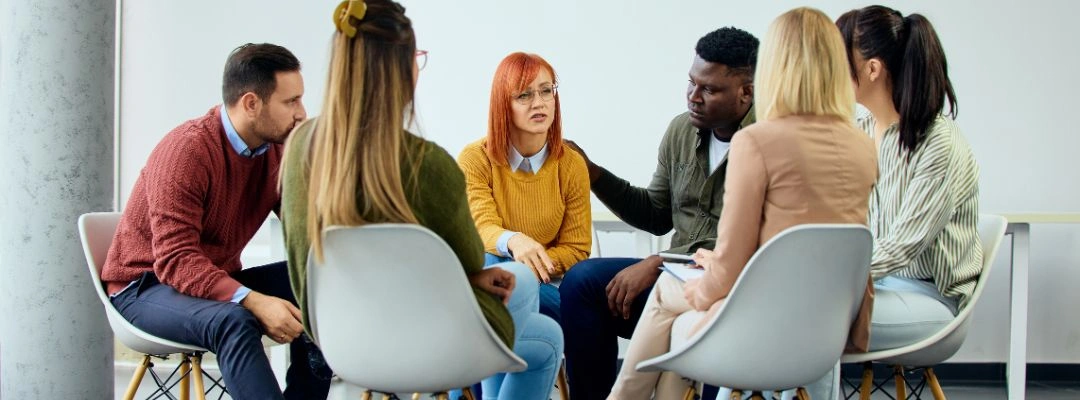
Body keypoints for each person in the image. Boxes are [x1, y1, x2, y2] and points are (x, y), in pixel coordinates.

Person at [278, 2, 563, 400]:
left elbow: (298, 260)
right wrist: (473, 275)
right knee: (535, 304)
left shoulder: (298, 148)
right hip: (429, 343)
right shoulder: (428, 165)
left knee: (543, 326)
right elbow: (468, 260)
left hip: (340, 343)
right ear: (404, 69)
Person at [607, 8, 878, 399]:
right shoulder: (863, 145)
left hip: (759, 325)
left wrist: (701, 288)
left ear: (772, 69)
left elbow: (732, 261)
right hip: (830, 328)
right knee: (677, 306)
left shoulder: (757, 141)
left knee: (670, 289)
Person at [101, 43, 330, 400]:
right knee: (233, 320)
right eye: (291, 102)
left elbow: (309, 225)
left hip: (208, 282)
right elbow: (175, 261)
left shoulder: (277, 151)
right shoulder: (187, 151)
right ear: (251, 103)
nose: (302, 113)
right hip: (145, 288)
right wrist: (253, 300)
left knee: (315, 279)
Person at [560, 27, 758, 399]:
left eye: (709, 89)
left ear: (745, 92)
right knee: (584, 282)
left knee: (714, 323)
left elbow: (752, 244)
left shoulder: (767, 141)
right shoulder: (681, 130)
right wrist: (595, 174)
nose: (693, 97)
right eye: (691, 83)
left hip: (731, 287)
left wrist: (658, 261)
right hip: (674, 278)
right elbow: (656, 214)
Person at [837, 5, 981, 352]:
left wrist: (828, 270)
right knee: (786, 310)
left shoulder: (939, 142)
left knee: (809, 317)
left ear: (872, 69)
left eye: (837, 60)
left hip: (929, 298)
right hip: (875, 285)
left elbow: (904, 244)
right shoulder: (859, 131)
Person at [458, 52, 592, 323]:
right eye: (524, 95)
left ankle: (505, 358)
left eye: (546, 91)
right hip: (492, 274)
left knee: (506, 281)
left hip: (544, 286)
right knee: (489, 262)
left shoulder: (572, 165)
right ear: (503, 104)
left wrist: (526, 268)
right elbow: (481, 227)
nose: (539, 103)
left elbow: (576, 249)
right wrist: (515, 241)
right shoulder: (475, 159)